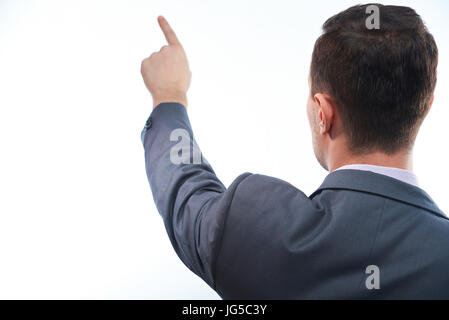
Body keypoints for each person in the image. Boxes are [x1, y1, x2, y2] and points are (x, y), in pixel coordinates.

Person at [140, 4, 449, 299]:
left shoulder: (263, 232)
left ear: (322, 113)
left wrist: (169, 96)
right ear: (425, 106)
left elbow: (187, 195)